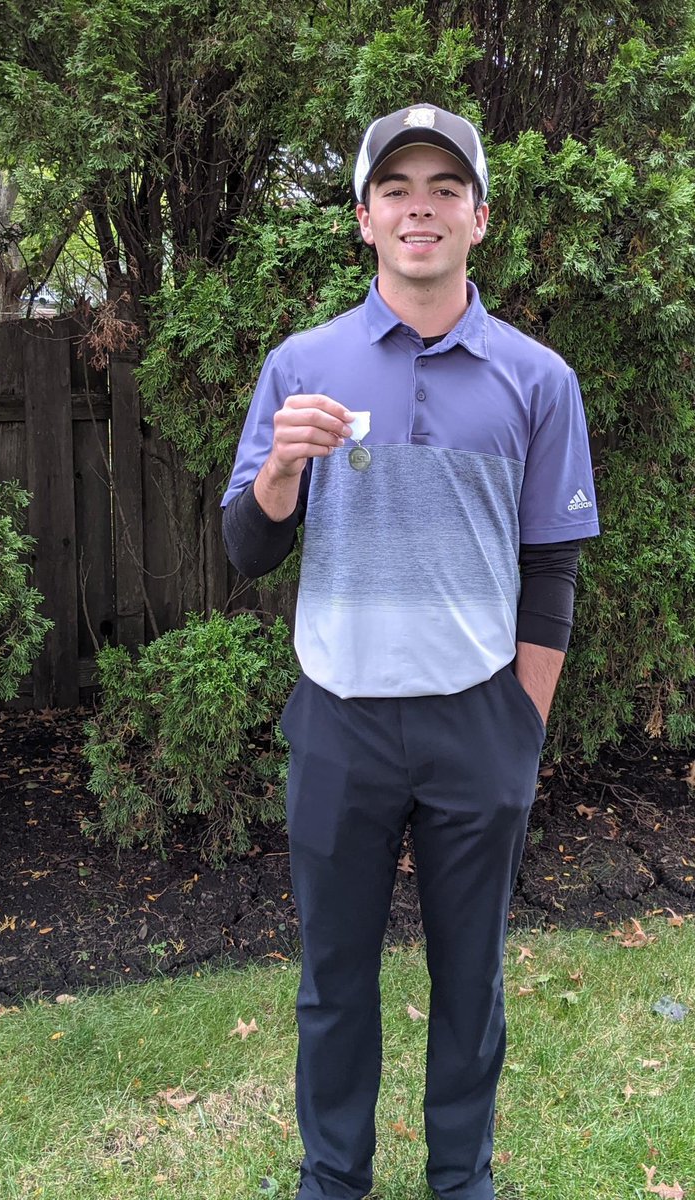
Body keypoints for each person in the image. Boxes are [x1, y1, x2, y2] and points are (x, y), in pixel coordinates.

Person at [222, 103, 599, 1200]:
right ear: (364, 219)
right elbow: (247, 550)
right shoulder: (303, 365)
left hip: (478, 722)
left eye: (444, 187)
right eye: (397, 188)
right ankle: (333, 1179)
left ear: (480, 218)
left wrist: (520, 728)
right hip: (339, 720)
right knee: (335, 979)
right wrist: (284, 471)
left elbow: (552, 573)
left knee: (469, 979)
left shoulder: (539, 380)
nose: (419, 205)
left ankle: (460, 1180)